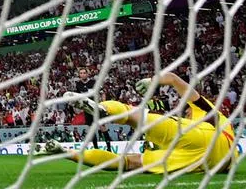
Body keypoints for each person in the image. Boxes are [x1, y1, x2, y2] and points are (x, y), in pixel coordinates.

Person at [37, 71, 235, 174]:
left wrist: (152, 80)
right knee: (129, 163)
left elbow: (175, 79)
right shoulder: (213, 115)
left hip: (202, 136)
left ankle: (104, 110)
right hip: (206, 160)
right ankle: (68, 153)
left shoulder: (204, 110)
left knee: (134, 115)